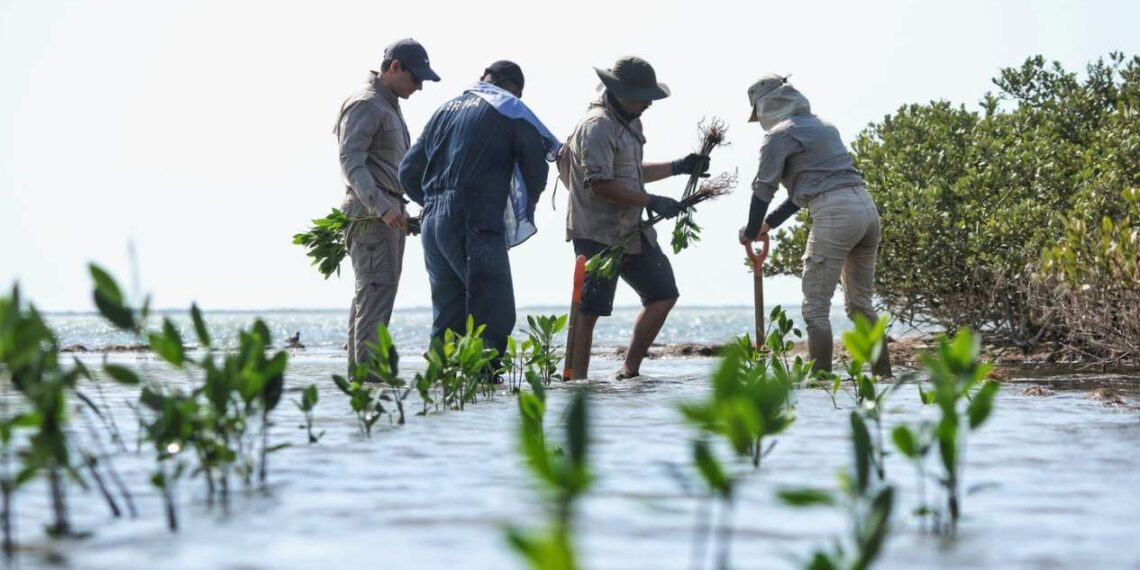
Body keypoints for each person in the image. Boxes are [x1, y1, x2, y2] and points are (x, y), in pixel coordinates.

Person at [399, 60, 557, 362]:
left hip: (433, 226)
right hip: (474, 218)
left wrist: (431, 204)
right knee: (493, 312)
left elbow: (407, 171)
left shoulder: (444, 110)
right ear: (512, 87)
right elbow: (536, 159)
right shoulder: (508, 106)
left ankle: (443, 390)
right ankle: (487, 393)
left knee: (449, 316)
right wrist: (531, 201)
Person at [564, 56, 710, 380]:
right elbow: (601, 184)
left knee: (663, 293)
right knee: (590, 310)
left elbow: (630, 176)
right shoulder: (597, 125)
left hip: (632, 228)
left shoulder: (632, 122)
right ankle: (577, 385)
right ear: (620, 91)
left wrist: (679, 166)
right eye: (643, 97)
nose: (648, 103)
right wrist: (652, 200)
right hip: (598, 230)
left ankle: (629, 372)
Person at [738, 74, 892, 377]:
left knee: (816, 308)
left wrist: (750, 228)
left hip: (835, 214)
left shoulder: (778, 136)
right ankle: (884, 376)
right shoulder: (824, 126)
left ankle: (820, 383)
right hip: (866, 209)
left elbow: (763, 189)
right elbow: (804, 192)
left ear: (765, 107)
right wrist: (767, 225)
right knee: (861, 304)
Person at [335, 38, 440, 374]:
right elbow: (351, 162)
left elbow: (384, 168)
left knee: (373, 299)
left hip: (386, 216)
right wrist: (382, 207)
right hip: (370, 217)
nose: (420, 87)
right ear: (394, 67)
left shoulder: (388, 104)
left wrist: (401, 213)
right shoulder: (366, 103)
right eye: (416, 78)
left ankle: (363, 384)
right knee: (374, 300)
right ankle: (368, 387)